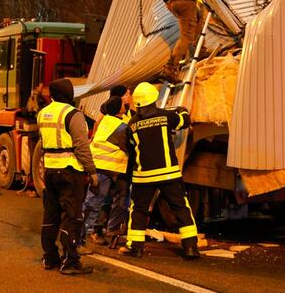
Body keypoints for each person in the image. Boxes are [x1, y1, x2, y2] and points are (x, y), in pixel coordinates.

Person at [119, 82, 200, 260]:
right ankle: (190, 248)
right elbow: (184, 121)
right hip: (168, 173)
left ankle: (135, 247)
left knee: (139, 210)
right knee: (180, 208)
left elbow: (130, 148)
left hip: (143, 176)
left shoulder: (132, 125)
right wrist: (182, 109)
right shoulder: (166, 116)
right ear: (153, 99)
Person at [38, 78, 99, 275]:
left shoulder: (43, 114)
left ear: (53, 94)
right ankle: (70, 262)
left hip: (50, 170)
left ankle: (50, 257)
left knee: (51, 215)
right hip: (70, 171)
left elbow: (42, 141)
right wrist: (92, 171)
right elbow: (81, 146)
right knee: (72, 216)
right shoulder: (73, 114)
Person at [79, 95, 130, 251]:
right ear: (118, 108)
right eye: (123, 103)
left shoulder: (106, 121)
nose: (126, 103)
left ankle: (83, 235)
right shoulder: (121, 127)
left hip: (103, 167)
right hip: (109, 167)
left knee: (95, 202)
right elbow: (130, 145)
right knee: (102, 202)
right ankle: (83, 237)